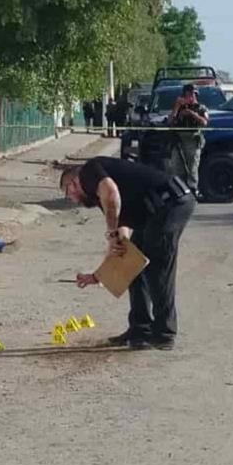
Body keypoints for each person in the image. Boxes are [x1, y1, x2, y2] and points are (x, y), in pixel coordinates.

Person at [60, 157, 196, 350]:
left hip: (171, 203)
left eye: (68, 193)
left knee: (157, 269)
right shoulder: (99, 194)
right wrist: (99, 275)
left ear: (74, 183)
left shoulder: (89, 173)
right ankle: (140, 329)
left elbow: (112, 194)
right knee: (132, 263)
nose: (72, 200)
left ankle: (164, 333)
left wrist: (111, 234)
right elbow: (121, 239)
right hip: (153, 212)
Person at [167, 84, 208, 193]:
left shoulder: (201, 107)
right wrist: (177, 107)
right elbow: (170, 122)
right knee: (177, 166)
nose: (191, 97)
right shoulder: (179, 107)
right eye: (188, 94)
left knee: (193, 167)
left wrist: (192, 114)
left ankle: (193, 189)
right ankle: (179, 189)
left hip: (193, 140)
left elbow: (204, 122)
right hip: (179, 139)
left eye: (193, 94)